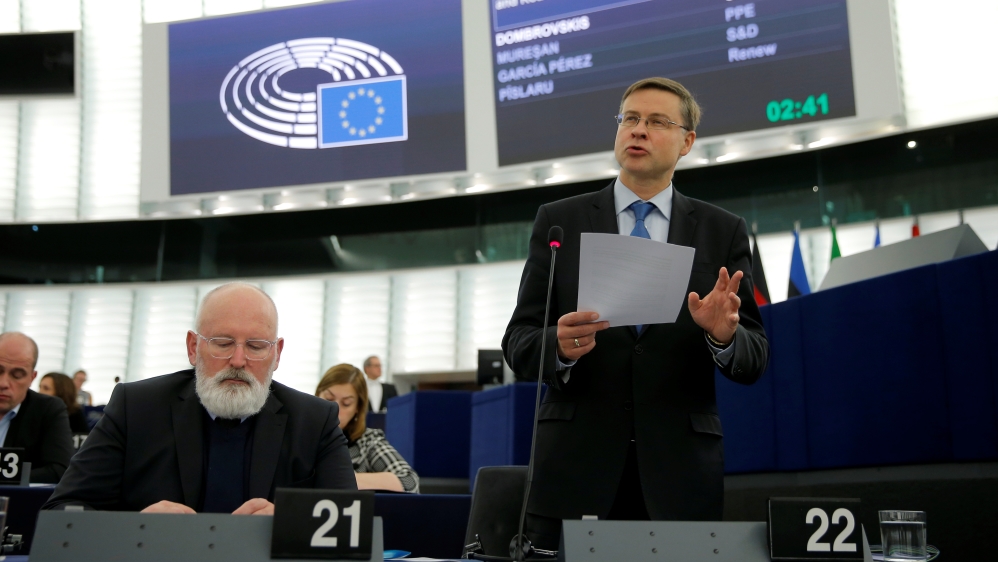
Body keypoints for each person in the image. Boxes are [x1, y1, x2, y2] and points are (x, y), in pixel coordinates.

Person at [502, 77, 770, 550]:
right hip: (575, 471)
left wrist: (723, 337)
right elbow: (519, 341)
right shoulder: (559, 221)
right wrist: (557, 347)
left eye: (657, 122)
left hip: (679, 476)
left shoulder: (721, 230)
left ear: (687, 141)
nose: (638, 130)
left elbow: (754, 357)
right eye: (630, 118)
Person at [43, 282, 357, 513]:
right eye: (222, 343)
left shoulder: (315, 421)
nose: (238, 361)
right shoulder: (135, 407)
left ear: (277, 354)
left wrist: (289, 525)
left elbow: (351, 527)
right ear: (193, 348)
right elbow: (63, 510)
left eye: (256, 346)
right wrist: (138, 528)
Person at [317, 363, 419, 493]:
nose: (335, 409)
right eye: (329, 399)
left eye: (346, 403)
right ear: (317, 395)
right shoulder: (298, 433)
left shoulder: (368, 441)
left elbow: (410, 483)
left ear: (357, 408)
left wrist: (341, 479)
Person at [0, 332, 74, 483]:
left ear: (31, 378)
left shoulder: (48, 409)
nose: (3, 383)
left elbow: (60, 470)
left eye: (17, 375)